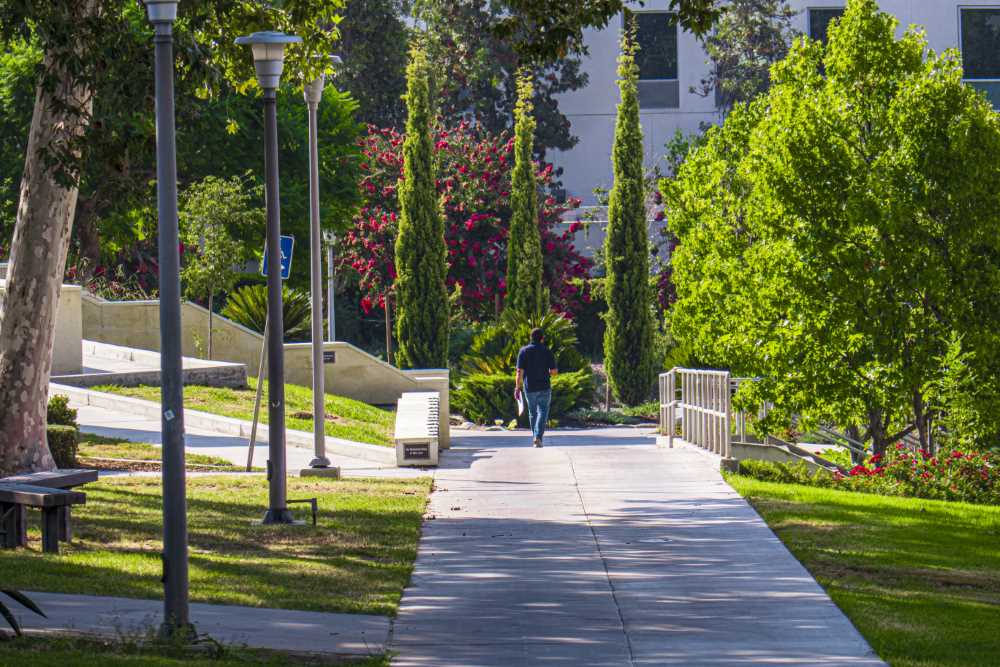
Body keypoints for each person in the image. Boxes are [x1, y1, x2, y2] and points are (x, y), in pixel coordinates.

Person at [514, 327, 558, 447]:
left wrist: (517, 387)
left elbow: (519, 372)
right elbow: (554, 372)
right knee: (543, 412)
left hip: (529, 387)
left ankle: (535, 437)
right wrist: (548, 372)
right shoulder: (547, 351)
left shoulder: (523, 351)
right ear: (542, 339)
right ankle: (538, 437)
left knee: (532, 413)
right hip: (544, 386)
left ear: (530, 338)